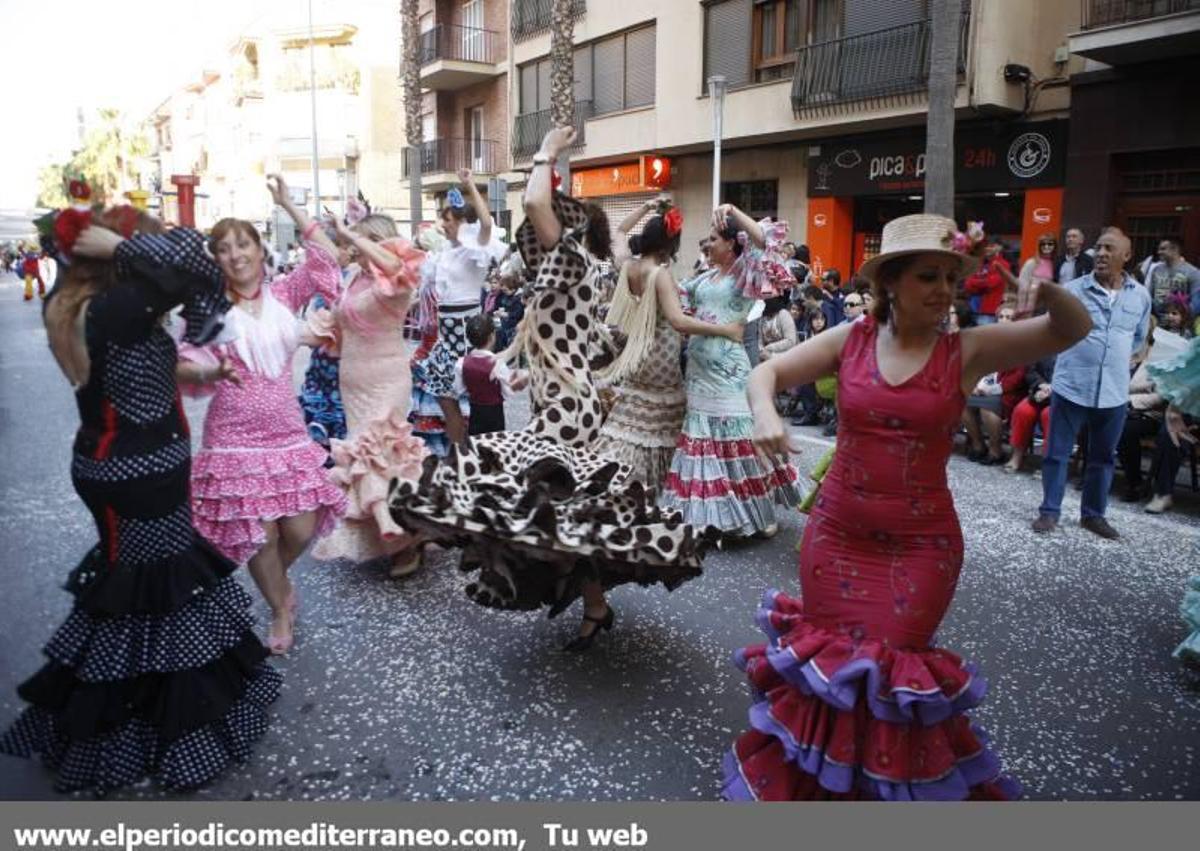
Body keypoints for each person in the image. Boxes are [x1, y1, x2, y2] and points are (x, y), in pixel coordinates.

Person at [723, 212, 1091, 801]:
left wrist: (1046, 287)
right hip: (837, 535)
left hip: (921, 550)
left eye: (951, 277)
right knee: (835, 681)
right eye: (928, 276)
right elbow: (764, 374)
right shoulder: (853, 339)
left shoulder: (967, 350)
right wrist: (765, 414)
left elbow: (1070, 328)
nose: (944, 291)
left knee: (892, 677)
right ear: (890, 282)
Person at [390, 127, 716, 650]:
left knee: (519, 493)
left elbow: (537, 198)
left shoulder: (573, 264)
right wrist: (531, 369)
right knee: (569, 512)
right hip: (570, 398)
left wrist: (545, 149)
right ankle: (593, 604)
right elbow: (585, 340)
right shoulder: (580, 272)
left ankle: (521, 570)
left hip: (568, 407)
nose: (539, 234)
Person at [0, 205, 280, 793]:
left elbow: (132, 371)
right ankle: (144, 727)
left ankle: (141, 706)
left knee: (138, 590)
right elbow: (194, 262)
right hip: (141, 475)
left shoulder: (78, 307)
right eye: (134, 252)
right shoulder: (120, 307)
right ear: (112, 259)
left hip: (116, 466)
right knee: (151, 598)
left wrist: (202, 376)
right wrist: (120, 244)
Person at [174, 174, 347, 654]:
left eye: (244, 244)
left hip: (287, 433)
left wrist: (290, 204)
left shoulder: (284, 294)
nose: (236, 255)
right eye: (225, 248)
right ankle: (278, 606)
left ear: (259, 249)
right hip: (233, 438)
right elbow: (183, 362)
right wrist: (211, 374)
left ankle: (276, 582)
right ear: (217, 259)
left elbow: (327, 260)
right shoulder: (207, 309)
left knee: (299, 527)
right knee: (257, 535)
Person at [659, 204, 803, 538]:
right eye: (706, 240)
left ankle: (759, 512)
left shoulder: (744, 274)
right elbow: (673, 299)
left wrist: (734, 212)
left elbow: (765, 243)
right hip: (697, 370)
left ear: (732, 244)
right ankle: (711, 518)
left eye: (713, 239)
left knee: (739, 442)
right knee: (703, 443)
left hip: (729, 372)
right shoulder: (704, 279)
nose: (707, 245)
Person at [307, 213, 430, 577]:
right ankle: (403, 532)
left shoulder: (398, 277)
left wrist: (352, 235)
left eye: (359, 243)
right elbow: (326, 246)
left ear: (376, 241)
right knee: (370, 459)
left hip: (387, 379)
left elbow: (392, 263)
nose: (351, 250)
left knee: (378, 454)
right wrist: (288, 204)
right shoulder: (355, 277)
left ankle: (403, 540)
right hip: (353, 382)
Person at [593, 197, 742, 488]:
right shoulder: (659, 274)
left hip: (635, 355)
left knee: (632, 421)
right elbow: (678, 321)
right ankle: (654, 486)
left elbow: (620, 232)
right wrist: (725, 330)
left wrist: (647, 206)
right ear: (669, 245)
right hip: (661, 353)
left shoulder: (628, 266)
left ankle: (616, 472)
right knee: (663, 424)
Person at [1032, 228, 1152, 539]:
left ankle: (1093, 515)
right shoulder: (1071, 290)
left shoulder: (1140, 295)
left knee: (1102, 458)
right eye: (1098, 248)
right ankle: (1049, 512)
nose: (1100, 254)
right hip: (1071, 385)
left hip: (1113, 390)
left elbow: (1138, 339)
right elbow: (1052, 330)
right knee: (1057, 453)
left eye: (1109, 249)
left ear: (1126, 256)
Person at [415, 169, 506, 446]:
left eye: (449, 221)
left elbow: (487, 224)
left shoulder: (474, 249)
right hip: (447, 332)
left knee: (479, 400)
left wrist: (469, 186)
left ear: (463, 223)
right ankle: (459, 451)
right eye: (443, 222)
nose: (444, 226)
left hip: (469, 331)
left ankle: (482, 450)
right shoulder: (444, 254)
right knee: (444, 395)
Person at [453, 313, 527, 436]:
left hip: (475, 411)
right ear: (492, 336)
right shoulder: (498, 363)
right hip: (495, 413)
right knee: (495, 442)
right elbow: (508, 391)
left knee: (475, 441)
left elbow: (458, 389)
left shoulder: (461, 363)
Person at [1003, 354, 1056, 474]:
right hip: (1038, 393)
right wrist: (1041, 385)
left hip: (1061, 396)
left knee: (1049, 415)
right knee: (1023, 411)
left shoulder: (1076, 347)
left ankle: (1047, 463)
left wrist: (1052, 390)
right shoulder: (1044, 345)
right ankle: (1017, 456)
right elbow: (1030, 371)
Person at [1144, 238, 1200, 319]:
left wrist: (1183, 319)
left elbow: (1196, 302)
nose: (1158, 252)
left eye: (1163, 249)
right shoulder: (1156, 270)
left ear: (1175, 249)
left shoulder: (1193, 272)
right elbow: (1150, 295)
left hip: (1181, 324)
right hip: (1156, 321)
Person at [962, 235, 1011, 324]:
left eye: (991, 246)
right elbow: (967, 284)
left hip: (991, 311)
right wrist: (982, 283)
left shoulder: (1003, 264)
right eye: (986, 246)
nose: (987, 248)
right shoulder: (979, 263)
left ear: (999, 247)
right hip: (974, 309)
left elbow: (991, 283)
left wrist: (976, 283)